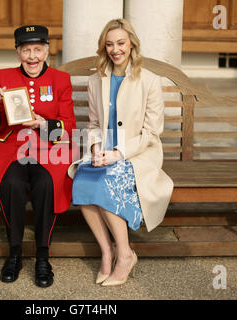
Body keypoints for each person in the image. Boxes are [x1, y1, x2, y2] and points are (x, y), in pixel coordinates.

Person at [0, 25, 77, 288]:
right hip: (12, 148)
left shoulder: (60, 79)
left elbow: (69, 126)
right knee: (11, 183)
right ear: (18, 52)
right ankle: (14, 253)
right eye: (26, 50)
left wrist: (43, 123)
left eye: (37, 50)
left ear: (46, 51)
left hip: (49, 149)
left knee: (47, 184)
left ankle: (43, 258)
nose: (32, 57)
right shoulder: (3, 75)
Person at [68, 19, 174, 286]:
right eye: (110, 44)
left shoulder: (148, 80)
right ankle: (107, 252)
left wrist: (117, 153)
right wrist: (94, 147)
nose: (116, 49)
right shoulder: (97, 80)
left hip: (137, 154)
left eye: (121, 43)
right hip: (103, 151)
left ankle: (125, 254)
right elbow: (93, 124)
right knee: (82, 178)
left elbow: (151, 133)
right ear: (104, 47)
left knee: (107, 179)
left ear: (131, 45)